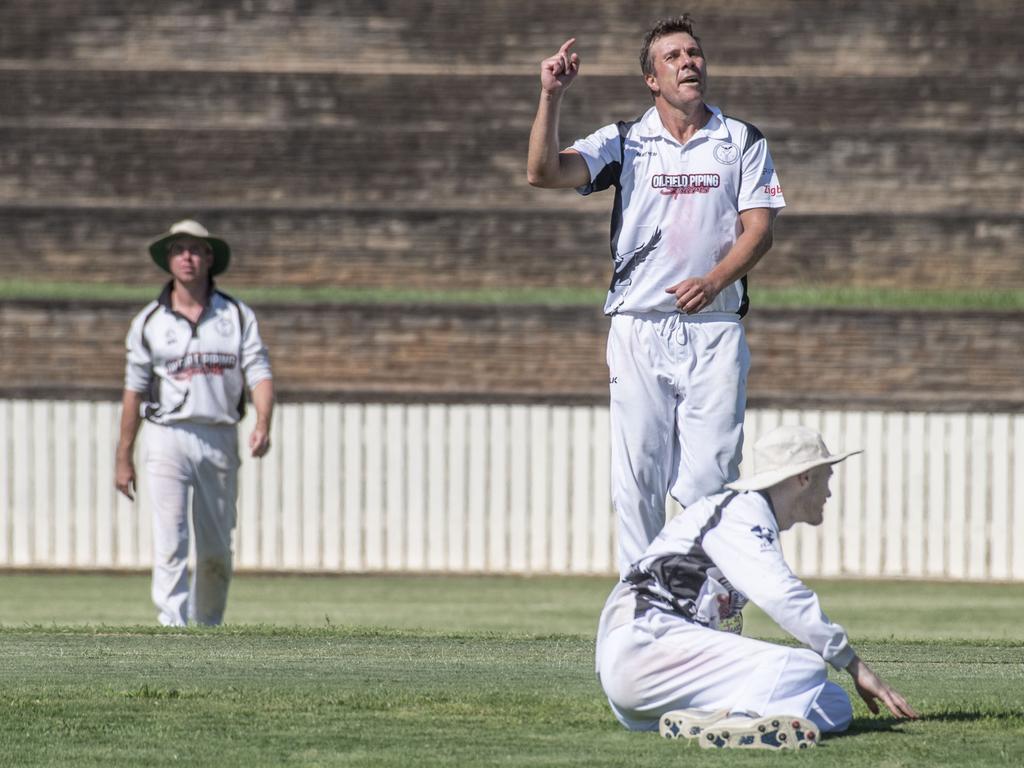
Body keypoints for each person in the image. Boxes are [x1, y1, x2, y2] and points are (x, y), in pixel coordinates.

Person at [527, 15, 785, 574]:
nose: (688, 62)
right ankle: (639, 615)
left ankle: (710, 605)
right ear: (651, 79)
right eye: (673, 57)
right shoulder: (625, 140)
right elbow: (543, 172)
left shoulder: (740, 139)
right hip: (638, 326)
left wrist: (714, 280)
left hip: (714, 327)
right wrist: (551, 96)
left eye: (694, 53)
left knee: (709, 478)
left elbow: (759, 231)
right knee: (638, 480)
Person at [594, 425, 919, 749]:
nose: (829, 493)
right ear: (804, 478)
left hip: (650, 677)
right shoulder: (741, 512)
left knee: (833, 704)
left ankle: (709, 719)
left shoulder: (739, 513)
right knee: (804, 666)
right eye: (827, 477)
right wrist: (854, 665)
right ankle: (740, 720)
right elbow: (782, 596)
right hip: (646, 649)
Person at [114, 219, 274, 626]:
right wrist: (123, 456)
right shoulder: (149, 321)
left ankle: (208, 627)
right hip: (167, 436)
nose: (187, 257)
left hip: (219, 434)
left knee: (217, 548)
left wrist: (263, 422)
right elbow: (134, 390)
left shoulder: (236, 315)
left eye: (196, 249)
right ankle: (172, 627)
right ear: (169, 260)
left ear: (209, 258)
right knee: (171, 541)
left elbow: (258, 372)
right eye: (179, 249)